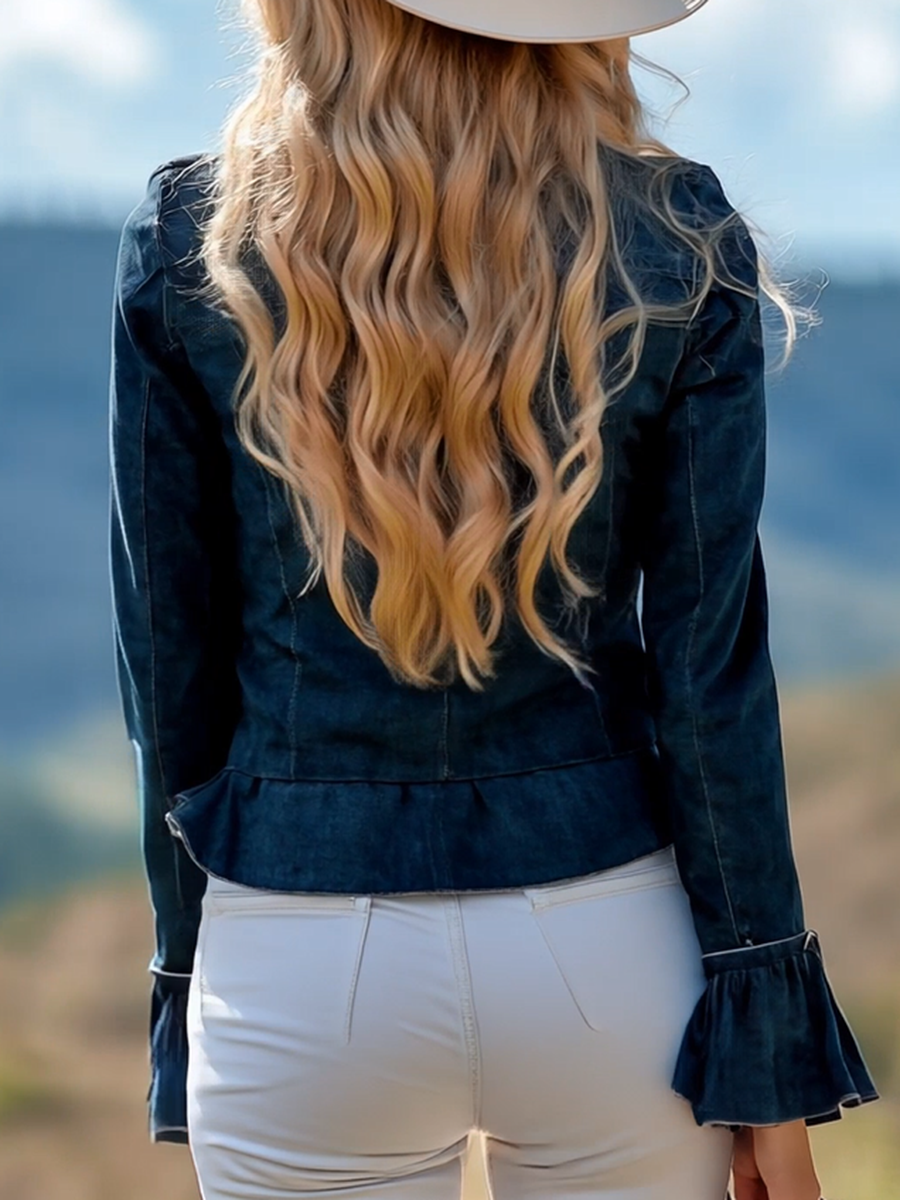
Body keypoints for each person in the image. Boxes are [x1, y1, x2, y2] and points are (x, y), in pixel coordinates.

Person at [107, 0, 879, 1197]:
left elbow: (169, 674)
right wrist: (767, 1042)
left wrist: (187, 978)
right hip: (609, 945)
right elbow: (711, 677)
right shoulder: (679, 234)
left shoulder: (193, 238)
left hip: (298, 958)